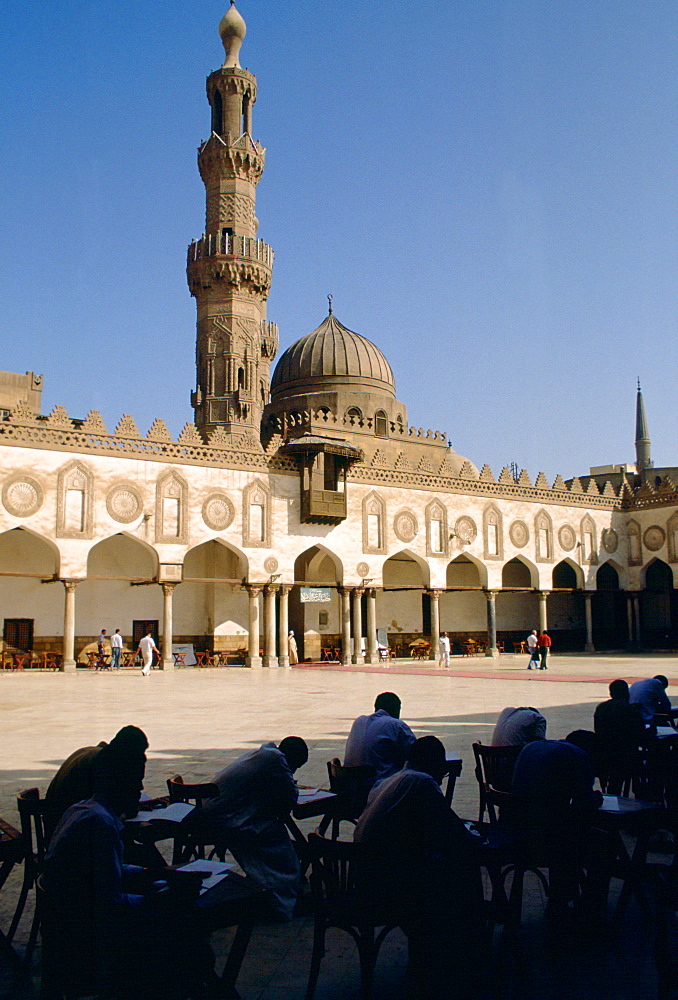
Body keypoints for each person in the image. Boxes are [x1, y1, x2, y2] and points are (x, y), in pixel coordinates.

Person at [42, 739, 215, 998]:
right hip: (86, 939)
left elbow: (106, 872)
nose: (141, 788)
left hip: (69, 924)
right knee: (191, 947)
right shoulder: (99, 823)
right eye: (136, 781)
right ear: (118, 784)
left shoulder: (84, 810)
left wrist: (156, 873)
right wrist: (160, 898)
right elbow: (110, 904)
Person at [354, 735, 484, 999]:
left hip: (366, 876)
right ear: (433, 765)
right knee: (460, 875)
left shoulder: (388, 780)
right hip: (385, 887)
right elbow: (454, 831)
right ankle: (467, 957)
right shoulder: (421, 782)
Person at [202, 737, 308, 920]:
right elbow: (289, 797)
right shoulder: (276, 761)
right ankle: (279, 899)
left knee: (271, 831)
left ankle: (273, 891)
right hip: (226, 819)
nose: (294, 770)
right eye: (296, 765)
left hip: (218, 811)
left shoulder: (265, 755)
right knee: (276, 840)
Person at [511, 735, 605, 918]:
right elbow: (583, 803)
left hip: (515, 830)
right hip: (544, 839)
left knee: (562, 827)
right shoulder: (579, 756)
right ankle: (590, 907)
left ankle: (561, 898)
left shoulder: (534, 747)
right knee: (597, 844)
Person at [44, 726, 148, 842]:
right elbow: (112, 811)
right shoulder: (102, 768)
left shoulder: (89, 753)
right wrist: (130, 806)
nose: (140, 786)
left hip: (59, 829)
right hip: (70, 841)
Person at [344, 691, 416, 785]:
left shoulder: (358, 722)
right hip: (378, 788)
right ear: (397, 709)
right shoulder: (396, 725)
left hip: (350, 786)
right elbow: (415, 753)